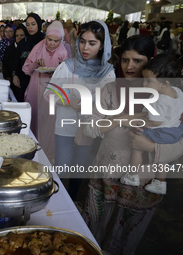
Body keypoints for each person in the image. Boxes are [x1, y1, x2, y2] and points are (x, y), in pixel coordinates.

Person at [82, 35, 183, 254]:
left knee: (124, 239)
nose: (129, 66)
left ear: (150, 61)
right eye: (124, 60)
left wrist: (152, 148)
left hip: (143, 181)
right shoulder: (111, 89)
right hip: (106, 172)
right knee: (91, 234)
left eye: (137, 61)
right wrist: (116, 120)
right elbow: (88, 127)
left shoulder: (170, 96)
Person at [45, 20, 115, 198]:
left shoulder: (108, 72)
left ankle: (73, 201)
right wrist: (69, 102)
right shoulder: (67, 66)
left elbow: (106, 103)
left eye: (92, 43)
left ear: (102, 45)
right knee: (62, 167)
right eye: (82, 41)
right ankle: (58, 201)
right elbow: (49, 93)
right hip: (65, 127)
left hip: (88, 129)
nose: (85, 47)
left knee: (79, 169)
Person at [120, 54, 183, 194]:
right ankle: (160, 182)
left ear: (165, 83)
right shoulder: (178, 92)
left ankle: (132, 176)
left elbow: (156, 121)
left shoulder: (157, 99)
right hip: (174, 132)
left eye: (149, 81)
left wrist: (143, 122)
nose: (145, 84)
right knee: (163, 159)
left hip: (159, 130)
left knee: (137, 147)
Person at [23, 20, 68, 161]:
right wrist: (36, 63)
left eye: (56, 41)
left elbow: (66, 77)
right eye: (49, 39)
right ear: (45, 37)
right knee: (34, 119)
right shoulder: (38, 47)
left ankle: (47, 156)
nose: (52, 44)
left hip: (52, 91)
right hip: (36, 87)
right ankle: (31, 151)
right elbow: (26, 69)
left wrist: (57, 72)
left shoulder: (63, 51)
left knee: (49, 124)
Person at [12, 13, 44, 102]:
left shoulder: (45, 41)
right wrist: (14, 75)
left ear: (39, 24)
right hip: (24, 80)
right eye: (28, 25)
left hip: (40, 80)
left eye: (33, 24)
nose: (30, 27)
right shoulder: (23, 42)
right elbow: (16, 60)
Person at [2, 24, 29, 101]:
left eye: (22, 35)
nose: (19, 38)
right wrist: (8, 78)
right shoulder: (10, 49)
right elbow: (5, 65)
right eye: (17, 35)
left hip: (26, 82)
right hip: (13, 83)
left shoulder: (29, 48)